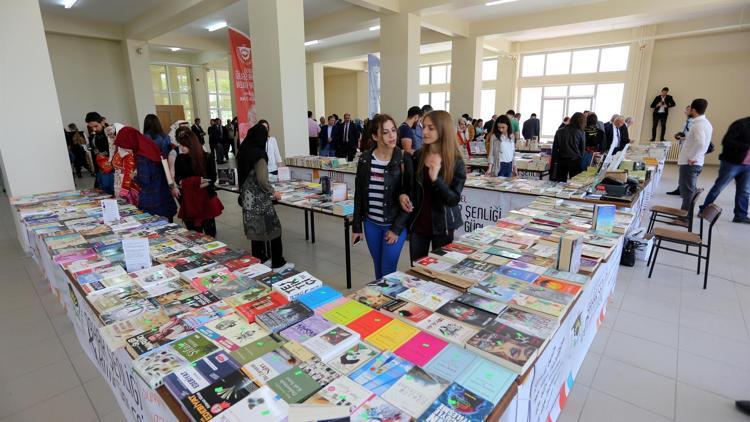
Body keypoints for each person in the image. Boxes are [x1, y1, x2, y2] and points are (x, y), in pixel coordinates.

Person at [399, 110, 466, 262]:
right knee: (417, 269)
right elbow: (408, 186)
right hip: (418, 224)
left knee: (439, 269)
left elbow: (453, 199)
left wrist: (436, 179)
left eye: (431, 128)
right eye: (424, 127)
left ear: (443, 130)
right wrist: (403, 194)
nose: (424, 131)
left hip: (443, 226)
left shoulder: (456, 161)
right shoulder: (418, 155)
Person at [351, 114, 409, 278]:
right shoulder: (365, 159)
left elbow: (410, 199)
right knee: (378, 267)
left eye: (393, 130)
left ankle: (390, 301)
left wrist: (396, 229)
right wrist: (357, 227)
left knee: (388, 271)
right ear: (375, 136)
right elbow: (359, 194)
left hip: (394, 225)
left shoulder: (403, 159)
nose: (392, 135)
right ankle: (380, 303)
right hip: (371, 224)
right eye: (385, 132)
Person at [237, 124, 293, 271]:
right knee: (275, 229)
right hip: (259, 199)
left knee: (255, 231)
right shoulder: (259, 155)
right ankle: (278, 263)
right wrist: (273, 191)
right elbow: (262, 180)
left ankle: (260, 260)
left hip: (247, 199)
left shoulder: (243, 151)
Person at [113, 127, 177, 220]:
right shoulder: (148, 146)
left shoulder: (141, 156)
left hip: (152, 199)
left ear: (131, 142)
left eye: (125, 147)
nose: (126, 150)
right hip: (163, 195)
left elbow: (144, 181)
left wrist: (134, 176)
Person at [698, 117, 750, 224]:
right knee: (719, 187)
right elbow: (727, 141)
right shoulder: (741, 124)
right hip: (731, 162)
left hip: (748, 165)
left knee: (744, 191)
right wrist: (747, 147)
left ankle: (740, 216)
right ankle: (703, 210)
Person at [174, 127, 221, 236]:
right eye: (180, 145)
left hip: (205, 199)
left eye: (184, 145)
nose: (181, 147)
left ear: (192, 144)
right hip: (189, 200)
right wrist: (196, 182)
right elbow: (178, 179)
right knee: (193, 232)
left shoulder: (207, 157)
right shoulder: (180, 159)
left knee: (210, 232)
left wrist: (190, 184)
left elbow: (212, 178)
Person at [677, 99, 712, 217]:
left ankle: (684, 217)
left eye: (690, 108)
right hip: (696, 162)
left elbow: (701, 143)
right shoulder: (705, 123)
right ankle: (684, 215)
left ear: (693, 109)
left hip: (690, 163)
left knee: (687, 191)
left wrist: (692, 157)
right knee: (688, 190)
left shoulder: (698, 125)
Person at [667, 106, 694, 195]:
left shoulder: (693, 122)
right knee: (682, 170)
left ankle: (685, 191)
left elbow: (692, 136)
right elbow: (686, 133)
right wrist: (679, 135)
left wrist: (683, 138)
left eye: (687, 110)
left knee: (686, 171)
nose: (685, 112)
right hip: (684, 146)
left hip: (688, 148)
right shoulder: (687, 121)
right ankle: (680, 189)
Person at [552, 112, 585, 182]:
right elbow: (582, 148)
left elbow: (555, 149)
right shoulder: (581, 132)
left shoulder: (559, 131)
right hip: (575, 160)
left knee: (560, 182)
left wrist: (555, 160)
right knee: (575, 183)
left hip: (561, 160)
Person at [85, 112, 111, 190]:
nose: (94, 129)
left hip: (115, 170)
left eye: (96, 126)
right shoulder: (92, 138)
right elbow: (95, 156)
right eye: (91, 127)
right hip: (101, 171)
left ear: (102, 122)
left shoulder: (111, 134)